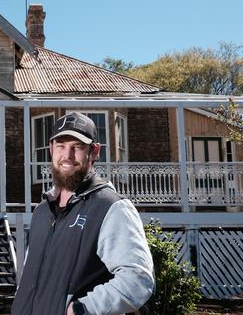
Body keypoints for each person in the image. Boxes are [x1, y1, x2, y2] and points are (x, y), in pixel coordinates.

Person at [11, 112, 154, 315]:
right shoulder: (42, 211)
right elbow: (30, 276)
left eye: (77, 147)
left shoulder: (110, 207)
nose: (67, 155)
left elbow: (138, 279)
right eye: (61, 145)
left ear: (94, 151)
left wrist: (80, 309)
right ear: (51, 149)